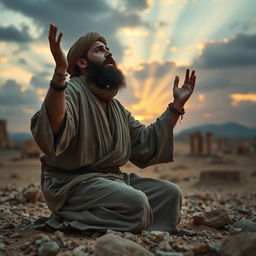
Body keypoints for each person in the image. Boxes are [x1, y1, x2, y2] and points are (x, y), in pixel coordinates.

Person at [31, 24, 196, 234]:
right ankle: (67, 219)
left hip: (111, 180)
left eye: (108, 49)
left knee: (170, 193)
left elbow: (145, 143)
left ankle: (134, 220)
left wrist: (176, 107)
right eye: (99, 50)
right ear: (81, 62)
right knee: (137, 203)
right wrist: (59, 73)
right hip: (72, 184)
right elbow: (55, 126)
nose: (109, 53)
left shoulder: (115, 106)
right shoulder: (71, 91)